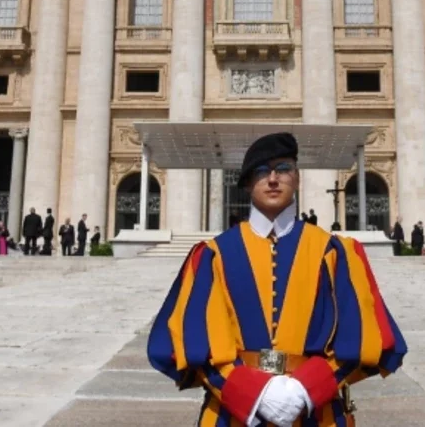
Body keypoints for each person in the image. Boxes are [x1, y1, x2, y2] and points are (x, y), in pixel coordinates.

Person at [147, 131, 406, 426]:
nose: (273, 179)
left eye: (283, 169)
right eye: (261, 171)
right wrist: (252, 394)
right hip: (231, 413)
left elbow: (363, 337)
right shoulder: (212, 255)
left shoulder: (335, 252)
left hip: (318, 413)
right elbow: (195, 344)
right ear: (247, 184)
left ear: (297, 178)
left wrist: (305, 389)